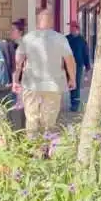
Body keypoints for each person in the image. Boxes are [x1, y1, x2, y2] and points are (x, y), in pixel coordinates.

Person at [14, 9, 76, 137]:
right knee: (49, 121)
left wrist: (16, 80)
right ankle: (46, 148)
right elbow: (69, 60)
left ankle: (32, 148)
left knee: (31, 118)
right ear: (51, 22)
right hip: (53, 85)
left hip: (31, 84)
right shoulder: (60, 38)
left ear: (37, 22)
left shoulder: (28, 38)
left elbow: (18, 62)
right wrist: (72, 78)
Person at [66, 21, 91, 112]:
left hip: (78, 65)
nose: (70, 28)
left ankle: (75, 104)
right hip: (68, 65)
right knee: (70, 83)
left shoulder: (82, 40)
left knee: (76, 83)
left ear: (77, 28)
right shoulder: (67, 39)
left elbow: (86, 54)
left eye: (72, 27)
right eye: (70, 27)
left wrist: (88, 67)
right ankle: (72, 101)